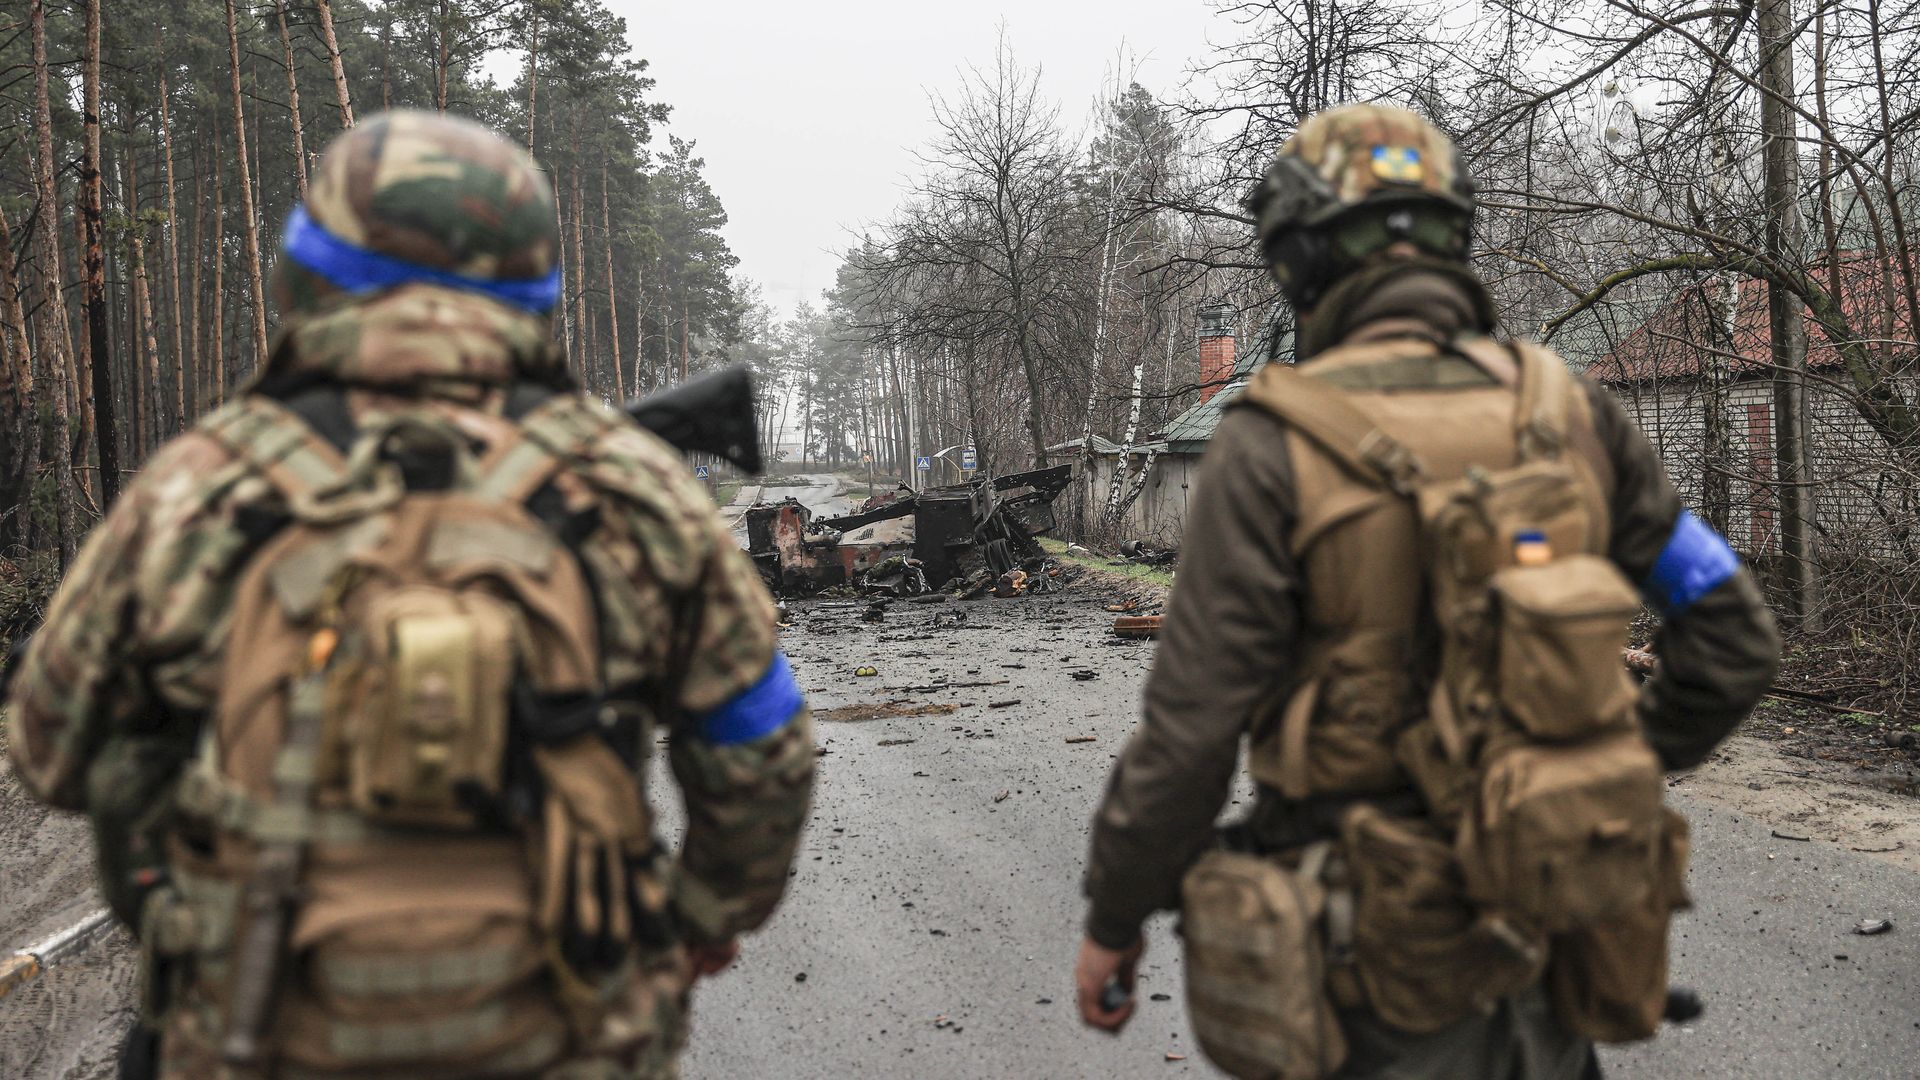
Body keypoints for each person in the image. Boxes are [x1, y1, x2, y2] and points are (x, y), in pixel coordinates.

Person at [5, 111, 814, 1079]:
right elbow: (761, 739)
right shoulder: (629, 489)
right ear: (534, 290)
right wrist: (702, 918)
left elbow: (52, 753)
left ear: (306, 274)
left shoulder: (201, 483)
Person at [1074, 104, 1780, 1079]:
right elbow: (1734, 634)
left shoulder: (1270, 444)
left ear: (1305, 262)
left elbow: (1191, 734)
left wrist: (1116, 917)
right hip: (1555, 926)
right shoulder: (1569, 412)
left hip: (1376, 972)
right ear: (1451, 238)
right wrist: (1592, 779)